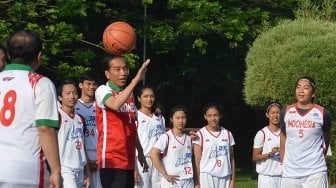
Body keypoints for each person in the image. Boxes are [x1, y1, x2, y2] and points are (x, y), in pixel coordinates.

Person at [0, 30, 61, 187]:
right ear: (39, 56)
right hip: (25, 170)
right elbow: (45, 128)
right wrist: (56, 170)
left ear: (7, 53)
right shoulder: (40, 83)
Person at [95, 55, 149, 188]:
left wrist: (140, 152)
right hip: (111, 159)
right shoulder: (103, 90)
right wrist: (136, 79)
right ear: (107, 74)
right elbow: (115, 104)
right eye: (117, 69)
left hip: (128, 159)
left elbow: (131, 127)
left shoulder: (128, 95)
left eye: (125, 69)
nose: (123, 73)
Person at [280, 76, 332, 188]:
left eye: (306, 87)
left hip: (315, 171)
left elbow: (327, 135)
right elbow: (283, 136)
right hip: (290, 172)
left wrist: (323, 153)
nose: (301, 90)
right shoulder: (286, 112)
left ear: (313, 94)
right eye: (298, 87)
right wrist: (283, 159)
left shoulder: (323, 113)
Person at [150, 105, 194, 188]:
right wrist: (165, 174)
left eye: (183, 118)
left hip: (188, 180)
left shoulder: (189, 138)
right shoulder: (166, 137)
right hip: (172, 181)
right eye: (177, 118)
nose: (180, 121)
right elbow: (153, 154)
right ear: (171, 119)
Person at [193, 103, 236, 188]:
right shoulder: (200, 134)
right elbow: (196, 161)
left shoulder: (227, 134)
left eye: (215, 115)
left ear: (220, 116)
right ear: (205, 116)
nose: (213, 118)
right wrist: (197, 183)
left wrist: (232, 181)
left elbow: (231, 159)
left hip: (225, 176)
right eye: (209, 116)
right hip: (207, 176)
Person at [57, 80, 90, 188]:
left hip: (80, 167)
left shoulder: (80, 118)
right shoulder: (57, 116)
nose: (72, 96)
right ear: (60, 97)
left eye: (75, 93)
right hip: (64, 168)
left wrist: (87, 172)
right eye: (68, 93)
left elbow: (83, 145)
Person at [134, 86, 166, 188]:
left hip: (158, 160)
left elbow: (164, 138)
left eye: (151, 96)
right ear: (139, 98)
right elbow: (131, 143)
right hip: (142, 160)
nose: (149, 99)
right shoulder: (136, 116)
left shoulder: (160, 117)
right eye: (146, 96)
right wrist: (134, 168)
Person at [75, 72, 102, 188]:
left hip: (100, 155)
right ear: (81, 85)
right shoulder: (74, 106)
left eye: (94, 84)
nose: (92, 87)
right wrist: (86, 161)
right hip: (81, 154)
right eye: (88, 84)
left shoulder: (101, 106)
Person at [252, 102, 282, 188]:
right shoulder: (262, 133)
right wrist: (270, 154)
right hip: (266, 177)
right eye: (273, 113)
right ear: (267, 115)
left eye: (278, 112)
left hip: (283, 176)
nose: (275, 115)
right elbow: (255, 157)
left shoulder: (285, 133)